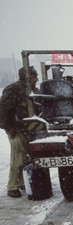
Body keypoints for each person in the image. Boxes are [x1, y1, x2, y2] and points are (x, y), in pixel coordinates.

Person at [0, 66, 39, 198]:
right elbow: (3, 110)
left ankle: (23, 182)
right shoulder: (13, 90)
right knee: (18, 157)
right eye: (35, 76)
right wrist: (8, 127)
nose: (37, 79)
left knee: (28, 158)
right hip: (16, 129)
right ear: (28, 77)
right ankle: (13, 187)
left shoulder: (33, 90)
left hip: (30, 129)